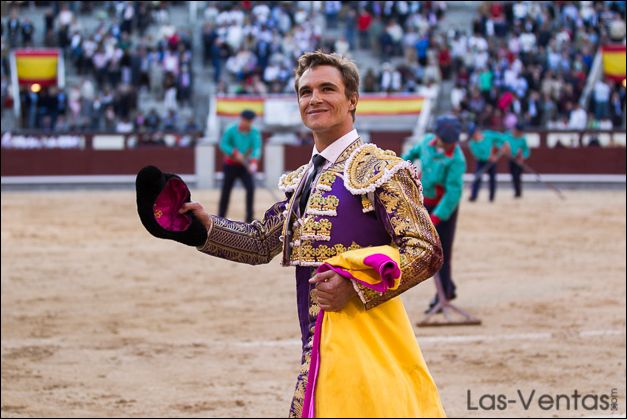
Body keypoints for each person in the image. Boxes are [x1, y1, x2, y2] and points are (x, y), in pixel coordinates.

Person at [139, 51, 445, 417]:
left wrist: (356, 286)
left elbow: (426, 249)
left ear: (352, 100)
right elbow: (259, 242)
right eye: (305, 92)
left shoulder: (381, 170)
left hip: (367, 340)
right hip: (316, 344)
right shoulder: (302, 180)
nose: (314, 99)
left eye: (327, 88)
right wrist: (200, 226)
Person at [402, 115, 467, 313]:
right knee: (430, 250)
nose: (449, 145)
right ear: (437, 136)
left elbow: (453, 192)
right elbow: (409, 156)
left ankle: (443, 293)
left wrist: (437, 217)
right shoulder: (425, 143)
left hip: (444, 209)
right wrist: (400, 168)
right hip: (424, 203)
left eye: (452, 142)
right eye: (446, 142)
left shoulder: (457, 159)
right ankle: (448, 288)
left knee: (442, 250)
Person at [218, 109, 261, 223]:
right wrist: (234, 153)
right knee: (226, 190)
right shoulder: (231, 130)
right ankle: (221, 217)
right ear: (241, 119)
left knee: (250, 188)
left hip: (244, 167)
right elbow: (223, 144)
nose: (245, 123)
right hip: (230, 165)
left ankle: (249, 217)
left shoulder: (254, 132)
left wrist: (254, 161)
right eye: (244, 120)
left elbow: (256, 148)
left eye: (248, 121)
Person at [467, 124, 508, 202]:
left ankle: (491, 198)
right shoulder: (472, 143)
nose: (473, 136)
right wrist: (489, 157)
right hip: (481, 162)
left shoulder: (488, 135)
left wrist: (505, 144)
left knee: (492, 179)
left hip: (492, 161)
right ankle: (474, 196)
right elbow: (477, 155)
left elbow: (501, 137)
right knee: (477, 178)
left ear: (477, 132)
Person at [504, 122, 530, 198]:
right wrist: (506, 151)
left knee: (517, 175)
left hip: (518, 159)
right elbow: (501, 144)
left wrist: (522, 157)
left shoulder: (523, 138)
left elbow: (526, 150)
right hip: (511, 158)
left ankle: (518, 192)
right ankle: (517, 191)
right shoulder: (507, 135)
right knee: (513, 175)